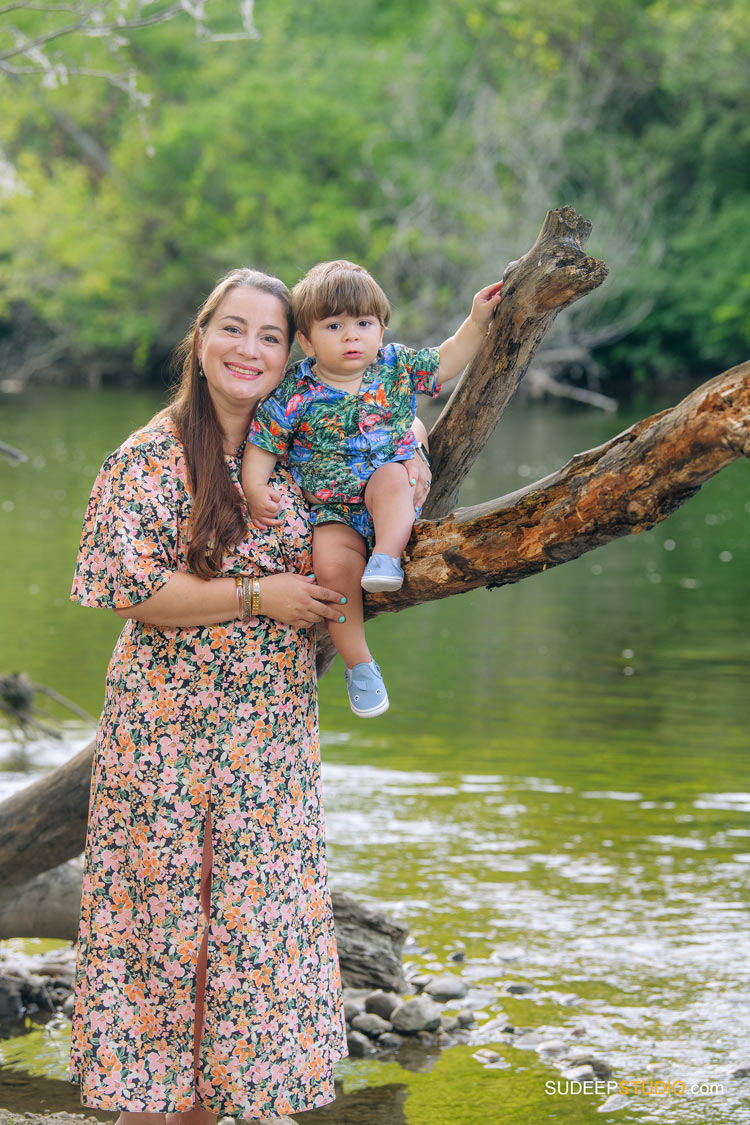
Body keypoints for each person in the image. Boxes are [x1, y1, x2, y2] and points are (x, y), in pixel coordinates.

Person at [68, 268, 370, 1125]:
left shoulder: (303, 450)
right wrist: (256, 595)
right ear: (200, 341)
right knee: (163, 941)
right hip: (166, 735)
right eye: (233, 330)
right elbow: (124, 587)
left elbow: (390, 449)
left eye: (270, 336)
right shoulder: (149, 455)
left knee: (254, 936)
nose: (249, 349)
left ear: (293, 353)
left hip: (268, 739)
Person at [242, 259, 503, 718]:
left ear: (381, 329)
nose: (351, 336)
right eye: (334, 325)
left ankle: (387, 553)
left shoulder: (395, 366)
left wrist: (477, 320)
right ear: (305, 340)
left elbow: (447, 358)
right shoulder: (294, 391)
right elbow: (263, 442)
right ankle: (360, 664)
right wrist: (254, 486)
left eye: (364, 323)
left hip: (390, 493)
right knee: (332, 569)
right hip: (331, 511)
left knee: (388, 478)